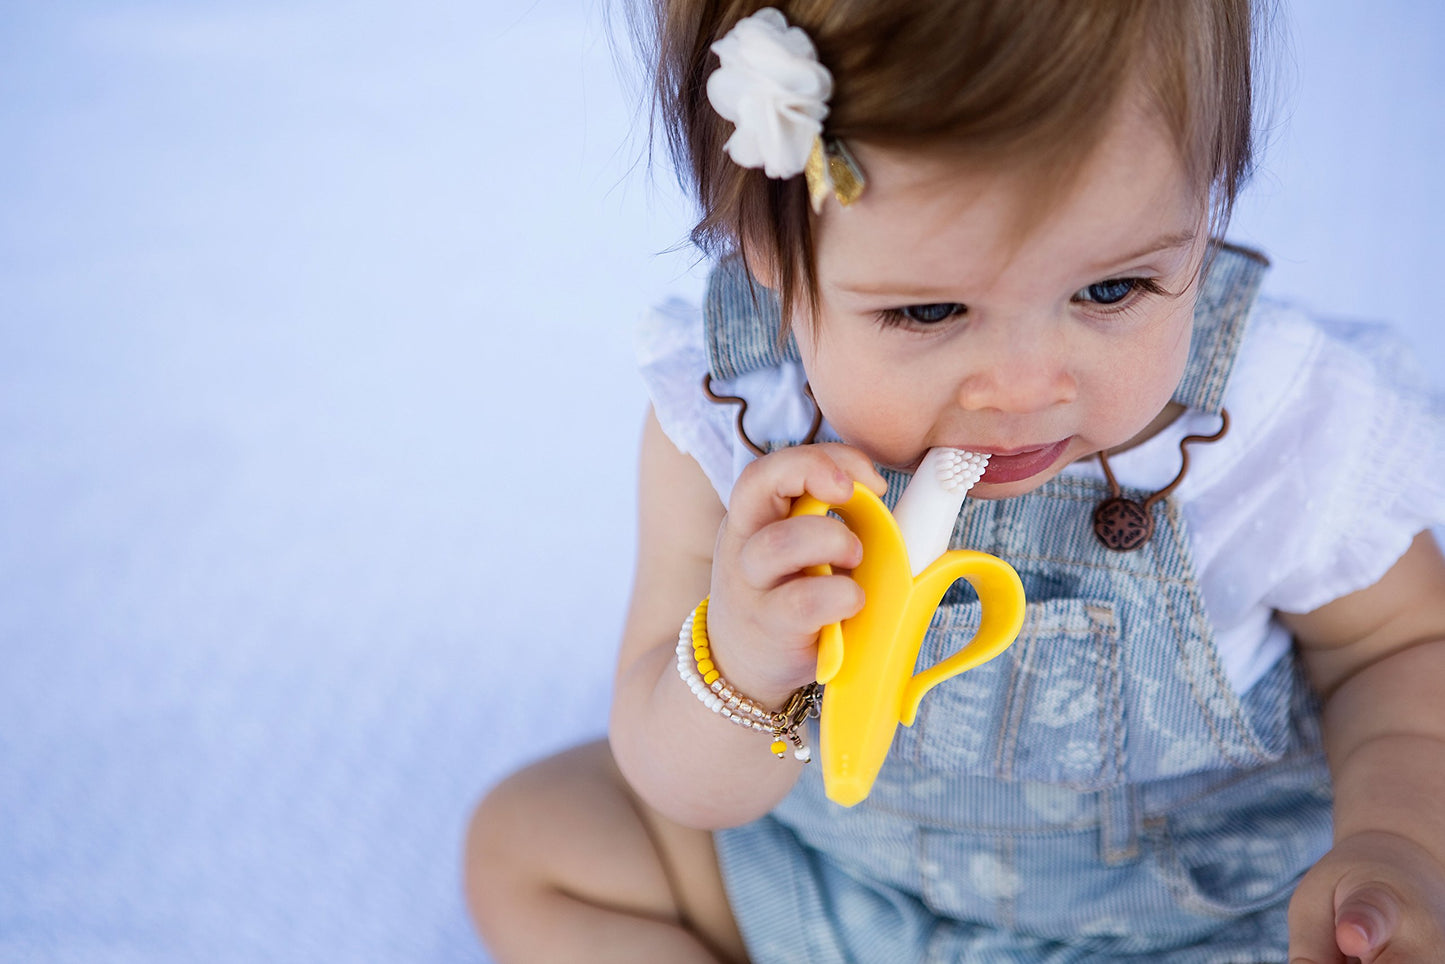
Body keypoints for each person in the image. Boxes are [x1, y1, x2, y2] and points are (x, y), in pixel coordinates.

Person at [465, 1, 1445, 960]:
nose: (1023, 390)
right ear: (768, 256)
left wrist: (1394, 848)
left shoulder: (1268, 427)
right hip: (842, 888)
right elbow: (679, 779)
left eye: (1109, 290)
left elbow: (1398, 650)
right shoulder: (735, 425)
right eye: (929, 312)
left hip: (1189, 917)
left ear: (1207, 204)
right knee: (529, 842)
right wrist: (742, 658)